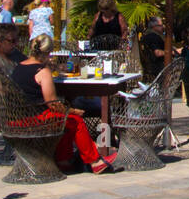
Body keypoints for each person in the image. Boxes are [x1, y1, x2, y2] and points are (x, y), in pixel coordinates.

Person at [9, 34, 118, 174]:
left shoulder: (19, 67)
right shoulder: (42, 72)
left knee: (65, 122)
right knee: (75, 121)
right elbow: (53, 104)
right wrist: (72, 111)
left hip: (15, 119)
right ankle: (95, 161)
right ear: (48, 53)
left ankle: (64, 161)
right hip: (35, 119)